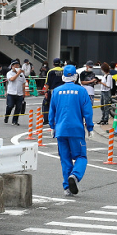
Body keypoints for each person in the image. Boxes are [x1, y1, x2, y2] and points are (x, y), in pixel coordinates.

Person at [48, 65, 94, 196]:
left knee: (65, 158)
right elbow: (88, 112)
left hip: (60, 130)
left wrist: (52, 126)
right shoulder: (81, 91)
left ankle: (67, 187)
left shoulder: (56, 91)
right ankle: (75, 175)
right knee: (81, 156)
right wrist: (90, 127)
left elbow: (52, 111)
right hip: (76, 129)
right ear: (75, 76)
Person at [42, 58, 65, 124]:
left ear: (53, 64)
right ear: (60, 63)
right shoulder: (63, 71)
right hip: (62, 91)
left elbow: (47, 83)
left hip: (53, 91)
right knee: (60, 105)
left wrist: (46, 92)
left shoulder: (51, 71)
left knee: (47, 104)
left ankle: (47, 119)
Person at [4, 60, 26, 125]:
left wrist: (24, 92)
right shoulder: (9, 73)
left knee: (18, 107)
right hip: (11, 93)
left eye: (18, 65)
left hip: (19, 93)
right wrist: (18, 73)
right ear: (12, 66)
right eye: (15, 65)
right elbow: (12, 79)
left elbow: (23, 83)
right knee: (10, 106)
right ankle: (6, 116)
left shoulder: (21, 74)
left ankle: (15, 121)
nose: (17, 66)